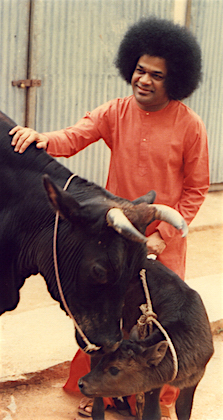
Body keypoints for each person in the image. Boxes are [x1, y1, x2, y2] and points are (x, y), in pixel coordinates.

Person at [10, 17, 209, 420]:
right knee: (107, 315)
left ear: (176, 81)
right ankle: (102, 392)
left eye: (157, 75)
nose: (144, 80)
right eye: (139, 70)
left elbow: (196, 189)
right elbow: (76, 134)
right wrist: (43, 139)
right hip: (114, 238)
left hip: (161, 244)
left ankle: (160, 400)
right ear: (128, 68)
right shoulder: (115, 112)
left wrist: (164, 236)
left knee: (158, 324)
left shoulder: (190, 126)